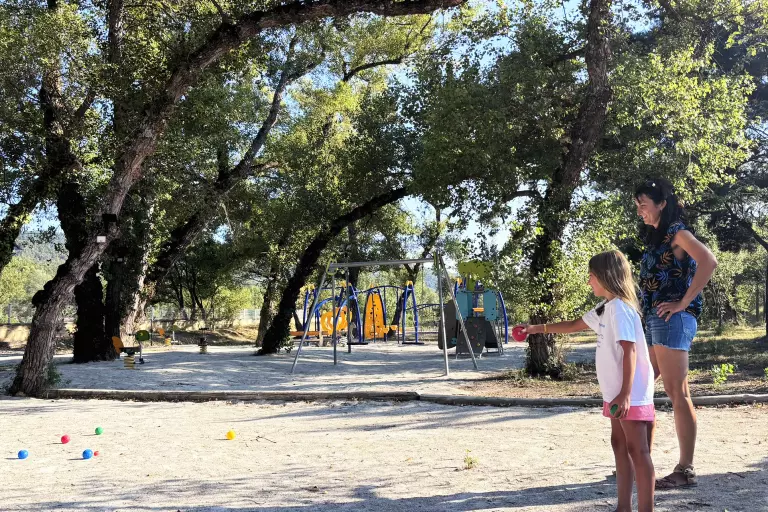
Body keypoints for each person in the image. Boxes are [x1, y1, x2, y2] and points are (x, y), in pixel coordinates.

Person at [518, 250, 655, 512]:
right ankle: (623, 507)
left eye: (591, 276)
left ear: (605, 276)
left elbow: (630, 351)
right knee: (620, 445)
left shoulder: (621, 310)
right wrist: (537, 329)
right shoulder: (605, 308)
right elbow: (573, 325)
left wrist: (625, 394)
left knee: (638, 450)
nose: (589, 281)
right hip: (615, 392)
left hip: (630, 394)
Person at [634, 178, 717, 489]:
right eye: (637, 205)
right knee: (642, 385)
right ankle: (640, 460)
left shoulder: (678, 233)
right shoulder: (655, 238)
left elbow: (709, 261)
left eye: (644, 204)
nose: (639, 210)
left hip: (673, 319)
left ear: (661, 204)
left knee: (677, 391)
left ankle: (685, 469)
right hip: (655, 320)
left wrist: (683, 302)